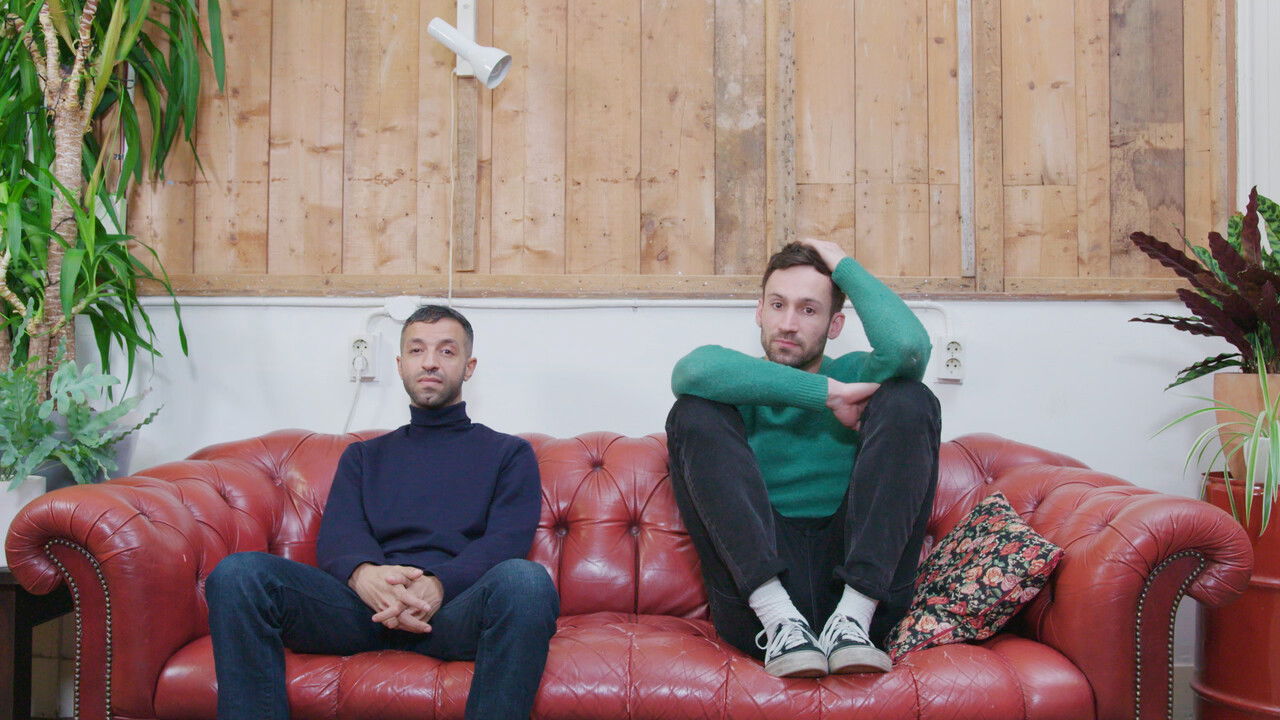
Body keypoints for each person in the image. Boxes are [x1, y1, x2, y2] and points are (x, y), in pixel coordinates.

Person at [206, 305, 559, 720]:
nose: (430, 362)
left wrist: (437, 585)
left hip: (454, 612)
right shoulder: (363, 456)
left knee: (527, 581)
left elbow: (506, 541)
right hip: (363, 611)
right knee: (238, 573)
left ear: (469, 367)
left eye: (446, 351)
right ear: (400, 364)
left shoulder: (509, 454)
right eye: (417, 350)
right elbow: (340, 535)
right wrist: (365, 576)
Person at [666, 238, 940, 678]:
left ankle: (851, 618)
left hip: (861, 599)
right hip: (759, 609)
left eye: (809, 310)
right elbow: (691, 371)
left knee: (910, 398)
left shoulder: (856, 374)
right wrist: (828, 396)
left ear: (835, 324)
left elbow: (908, 348)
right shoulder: (735, 382)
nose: (788, 324)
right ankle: (782, 622)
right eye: (778, 305)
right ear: (759, 311)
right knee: (693, 410)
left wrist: (841, 263)